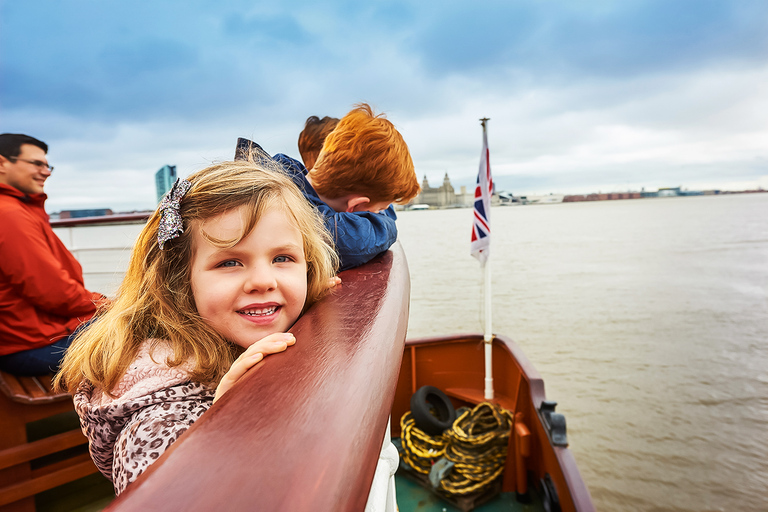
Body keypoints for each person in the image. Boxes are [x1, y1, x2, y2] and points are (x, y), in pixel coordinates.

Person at [54, 158, 338, 494]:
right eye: (229, 262)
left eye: (282, 258)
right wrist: (223, 425)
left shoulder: (228, 328)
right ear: (180, 281)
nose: (263, 281)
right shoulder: (152, 423)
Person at [236, 103, 420, 270]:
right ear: (354, 206)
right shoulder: (306, 222)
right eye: (380, 209)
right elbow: (360, 240)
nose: (384, 213)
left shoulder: (286, 174)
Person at [0, 133, 106, 376]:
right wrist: (103, 303)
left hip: (30, 337)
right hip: (34, 346)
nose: (46, 171)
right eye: (36, 164)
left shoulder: (18, 210)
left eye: (48, 166)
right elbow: (54, 293)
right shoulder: (9, 215)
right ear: (2, 163)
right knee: (150, 325)